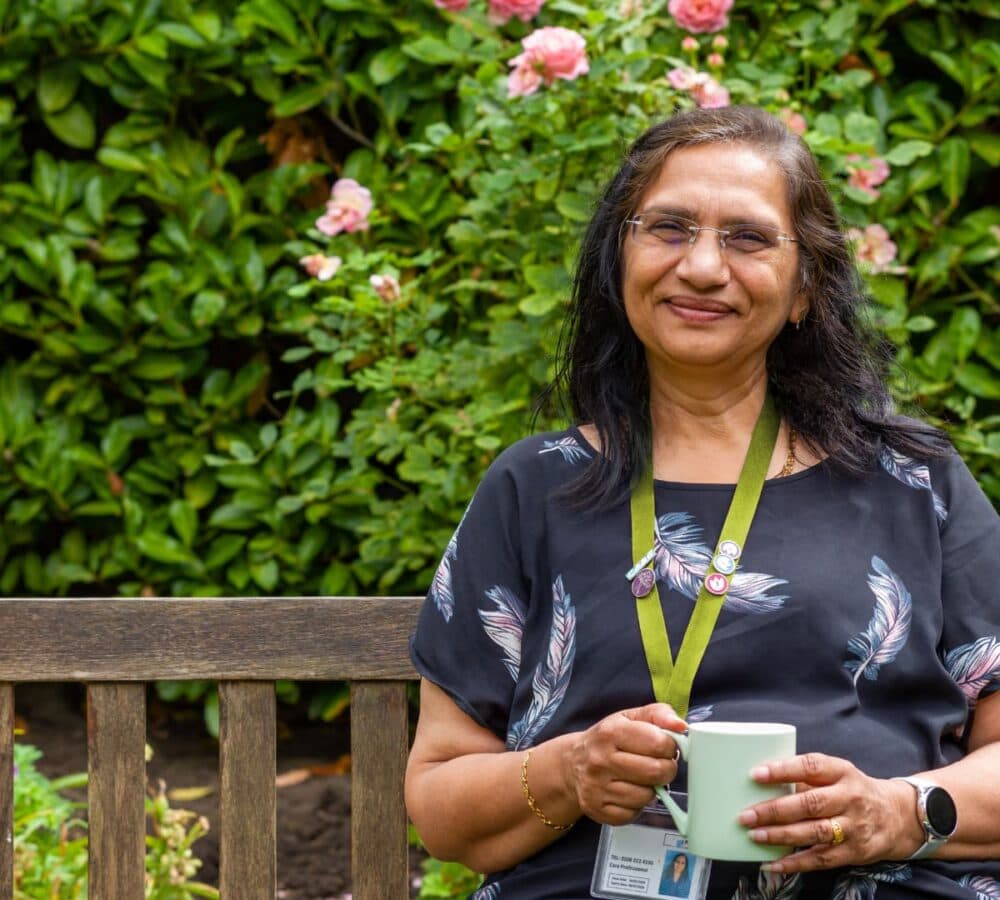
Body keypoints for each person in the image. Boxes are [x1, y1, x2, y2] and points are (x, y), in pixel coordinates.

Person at [404, 106, 1000, 899]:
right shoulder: (533, 489)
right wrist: (567, 770)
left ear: (805, 289)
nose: (703, 266)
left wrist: (899, 812)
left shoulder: (913, 484)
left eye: (748, 238)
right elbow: (441, 804)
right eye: (669, 228)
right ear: (620, 259)